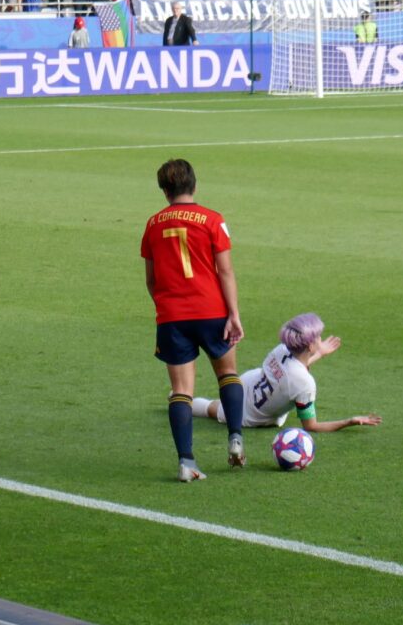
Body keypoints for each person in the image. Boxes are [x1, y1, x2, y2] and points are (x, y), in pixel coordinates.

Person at [141, 159, 245, 482]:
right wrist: (234, 313)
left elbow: (151, 280)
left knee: (180, 391)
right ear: (195, 185)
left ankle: (186, 462)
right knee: (227, 373)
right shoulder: (212, 220)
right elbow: (225, 270)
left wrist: (168, 307)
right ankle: (236, 441)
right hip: (212, 311)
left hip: (172, 317)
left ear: (164, 191)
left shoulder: (153, 224)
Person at [192, 313, 382, 452]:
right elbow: (311, 426)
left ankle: (182, 400)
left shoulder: (281, 349)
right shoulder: (305, 384)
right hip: (248, 414)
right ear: (309, 345)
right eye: (317, 337)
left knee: (214, 405)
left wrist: (319, 353)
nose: (320, 338)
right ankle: (179, 402)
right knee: (212, 409)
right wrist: (350, 421)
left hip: (246, 383)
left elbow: (294, 370)